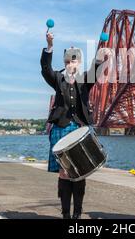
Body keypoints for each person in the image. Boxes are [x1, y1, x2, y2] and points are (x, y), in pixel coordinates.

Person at [41, 31, 108, 219]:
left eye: (74, 61)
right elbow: (45, 68)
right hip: (61, 128)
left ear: (79, 63)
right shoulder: (57, 79)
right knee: (64, 173)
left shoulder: (85, 79)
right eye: (68, 62)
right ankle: (65, 215)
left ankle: (77, 213)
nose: (71, 64)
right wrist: (49, 46)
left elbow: (96, 70)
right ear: (65, 63)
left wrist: (101, 54)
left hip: (79, 129)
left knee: (80, 172)